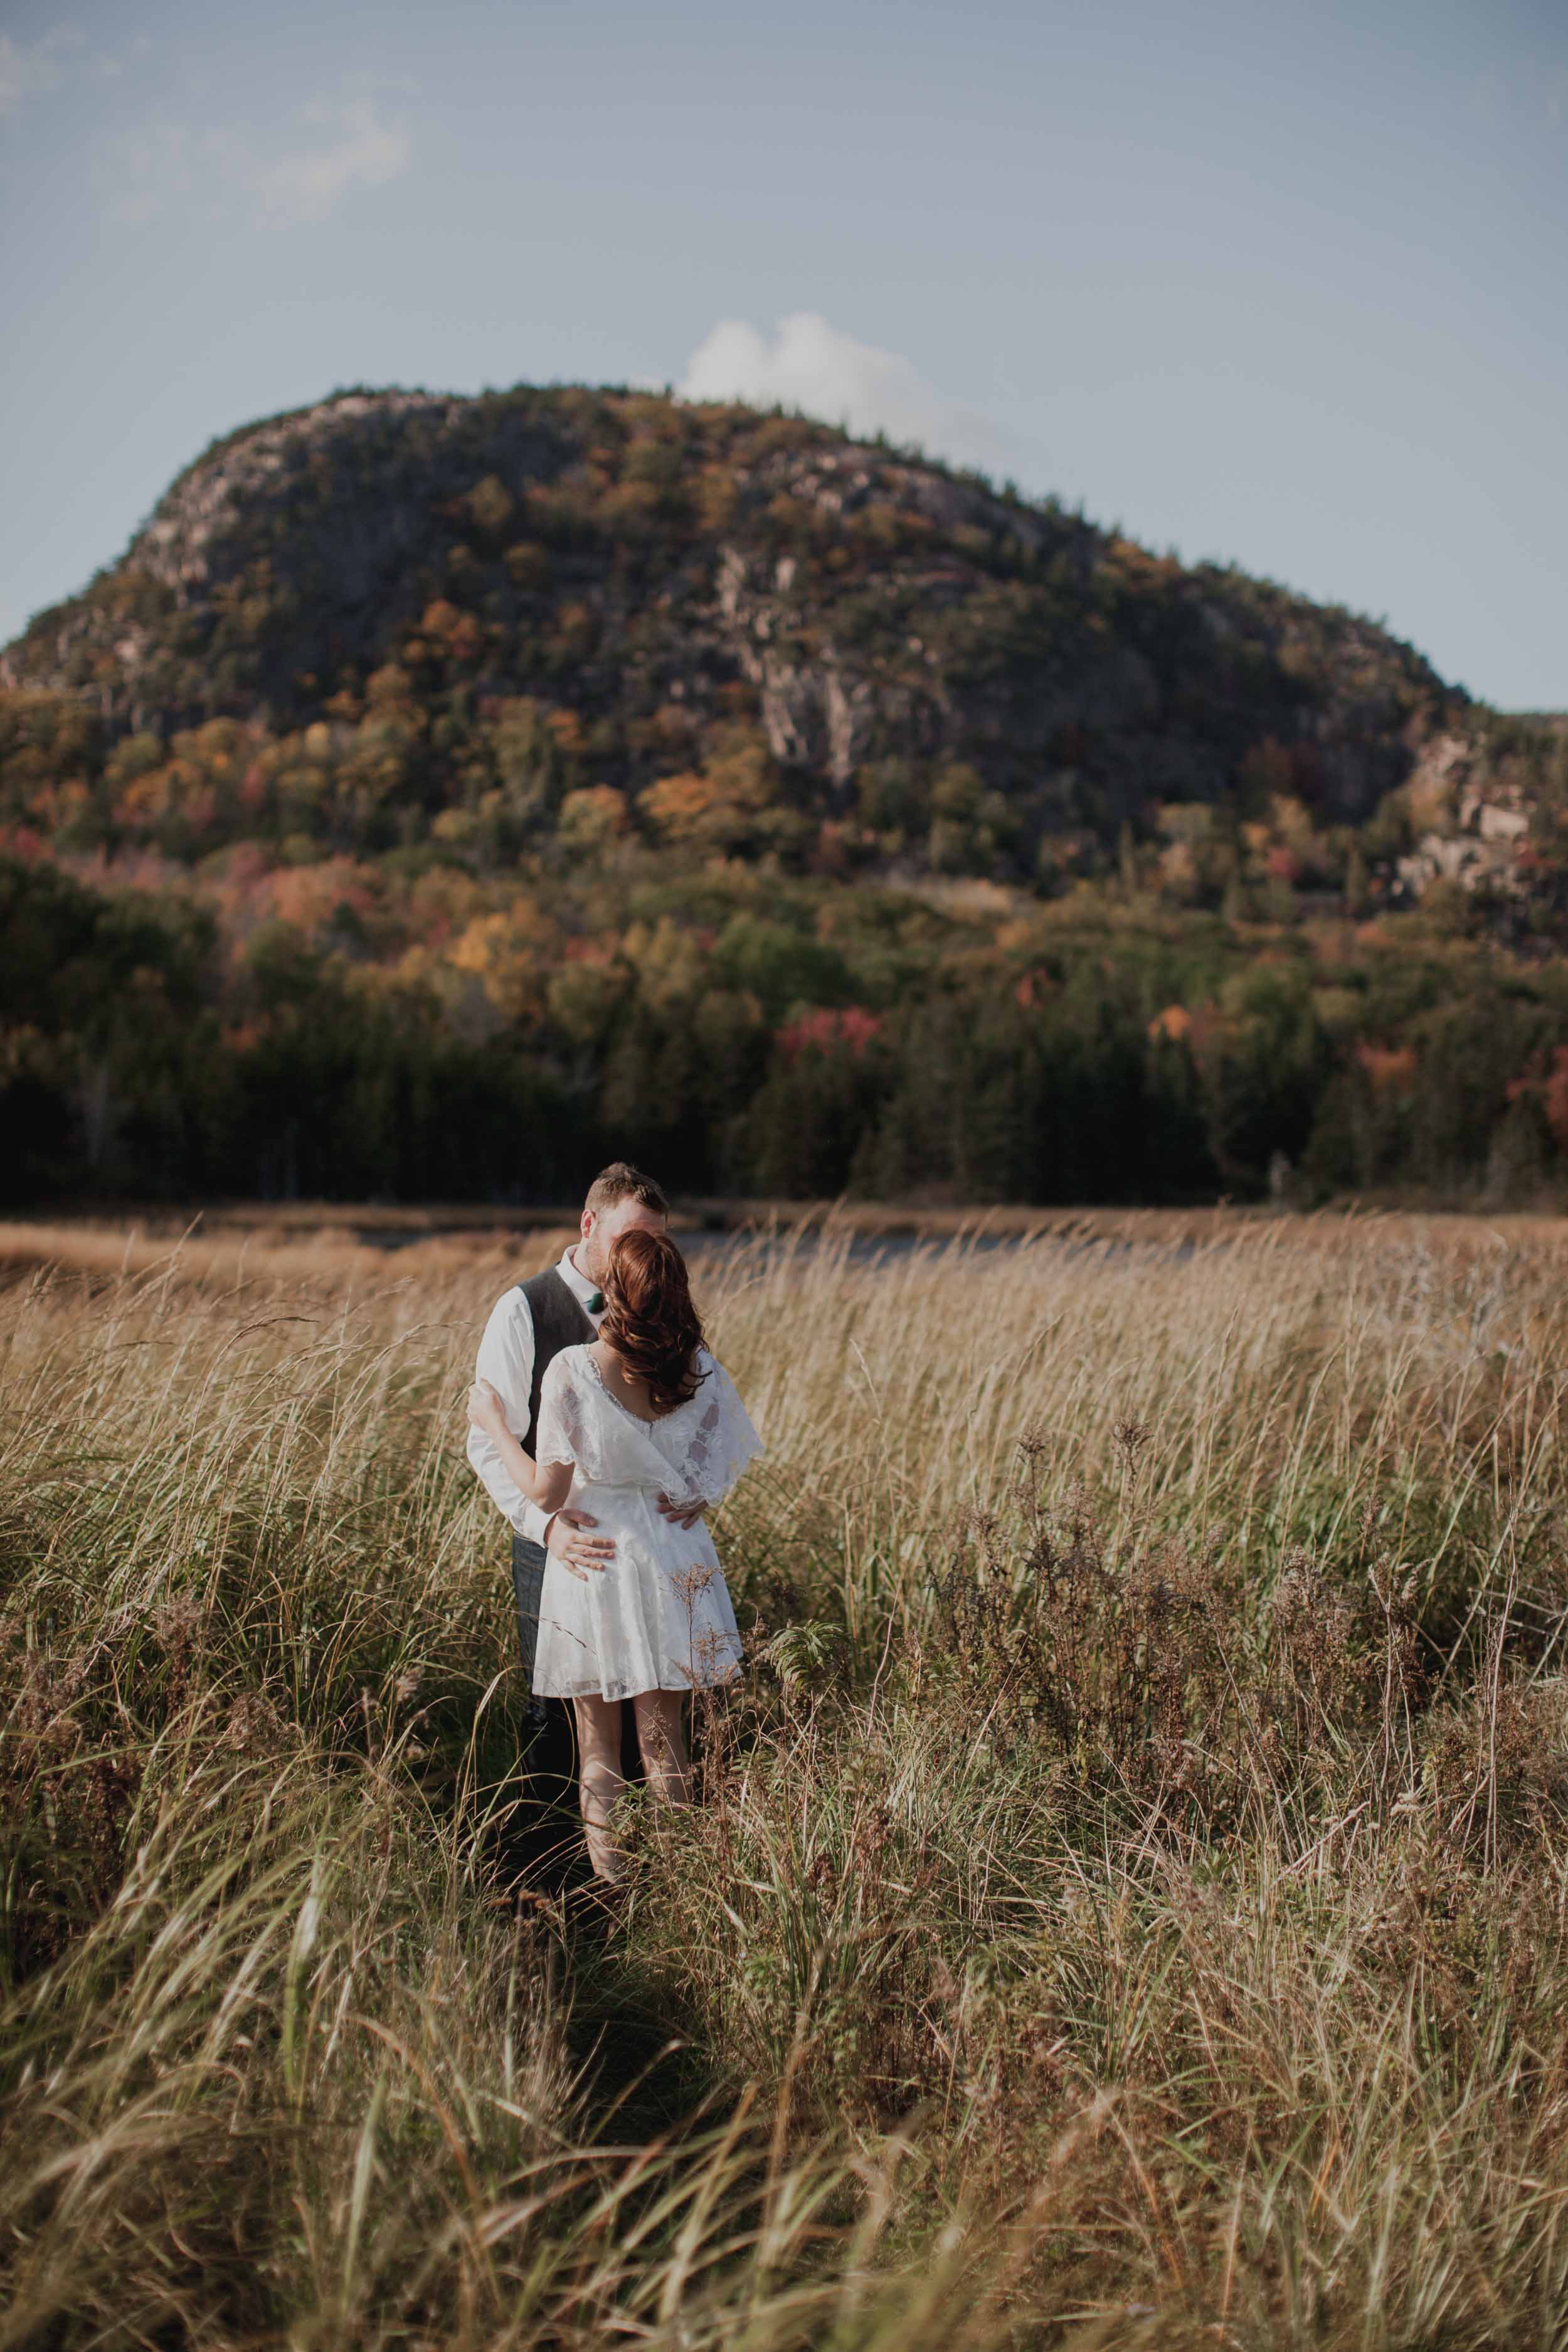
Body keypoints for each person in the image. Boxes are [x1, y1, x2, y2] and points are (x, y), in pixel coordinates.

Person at [469, 1224, 761, 1879]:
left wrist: (493, 1424)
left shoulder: (573, 1369)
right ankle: (683, 1897)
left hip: (598, 1559)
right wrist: (698, 1495)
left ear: (614, 1295)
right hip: (673, 1552)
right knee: (666, 1743)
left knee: (597, 1747)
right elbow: (724, 1447)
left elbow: (547, 1492)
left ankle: (620, 1891)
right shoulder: (696, 1366)